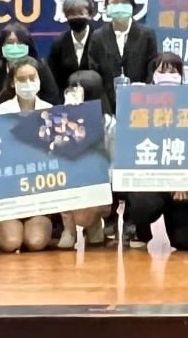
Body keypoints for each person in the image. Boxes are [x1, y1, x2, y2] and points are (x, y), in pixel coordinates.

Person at [123, 55, 188, 250]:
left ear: (181, 76)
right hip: (151, 182)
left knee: (186, 242)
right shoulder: (137, 105)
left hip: (184, 186)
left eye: (173, 71)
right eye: (162, 71)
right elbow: (130, 149)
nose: (167, 76)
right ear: (153, 76)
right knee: (143, 204)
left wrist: (185, 181)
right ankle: (140, 229)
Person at [55, 70, 114, 249]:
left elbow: (114, 162)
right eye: (70, 90)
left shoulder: (109, 125)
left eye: (78, 91)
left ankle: (95, 224)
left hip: (98, 184)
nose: (72, 95)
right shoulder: (57, 121)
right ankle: (69, 229)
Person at [0, 22, 60, 112]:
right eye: (10, 42)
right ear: (1, 46)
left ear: (28, 45)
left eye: (20, 42)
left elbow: (53, 97)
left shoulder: (40, 67)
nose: (15, 47)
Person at [88, 0, 157, 86]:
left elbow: (152, 67)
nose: (119, 6)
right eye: (115, 2)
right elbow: (94, 71)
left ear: (132, 6)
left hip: (138, 93)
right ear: (107, 7)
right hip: (107, 93)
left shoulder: (146, 34)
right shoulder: (98, 36)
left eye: (124, 2)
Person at [48, 0, 98, 92]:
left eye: (80, 13)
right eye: (71, 14)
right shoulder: (58, 44)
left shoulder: (100, 40)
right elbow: (53, 80)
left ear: (89, 14)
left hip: (96, 98)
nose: (76, 17)